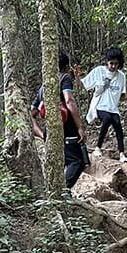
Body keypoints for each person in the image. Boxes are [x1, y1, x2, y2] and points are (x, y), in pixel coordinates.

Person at [31, 52, 90, 191]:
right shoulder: (64, 78)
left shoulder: (43, 88)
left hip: (50, 129)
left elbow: (31, 114)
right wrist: (80, 127)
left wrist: (42, 134)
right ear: (65, 66)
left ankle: (57, 192)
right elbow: (69, 100)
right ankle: (61, 191)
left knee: (59, 162)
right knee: (78, 161)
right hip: (67, 128)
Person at [81, 47, 127, 164]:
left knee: (117, 123)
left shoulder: (121, 76)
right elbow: (83, 84)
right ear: (106, 62)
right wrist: (76, 76)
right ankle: (97, 148)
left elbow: (122, 97)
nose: (113, 66)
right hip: (99, 105)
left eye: (116, 64)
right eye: (111, 63)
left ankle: (122, 154)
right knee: (107, 119)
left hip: (113, 108)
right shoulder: (99, 71)